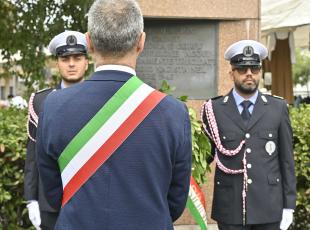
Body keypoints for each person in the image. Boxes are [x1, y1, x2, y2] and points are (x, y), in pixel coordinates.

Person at [36, 0, 192, 229]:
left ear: (88, 42)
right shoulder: (173, 113)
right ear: (141, 41)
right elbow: (176, 200)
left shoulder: (54, 105)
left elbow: (52, 192)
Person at [201, 40, 296, 230]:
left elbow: (286, 161)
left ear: (260, 72)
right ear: (232, 73)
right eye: (243, 69)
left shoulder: (277, 108)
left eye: (254, 68)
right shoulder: (214, 109)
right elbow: (204, 157)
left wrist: (289, 206)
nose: (249, 74)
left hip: (269, 206)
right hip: (230, 207)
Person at [24, 30, 89, 230]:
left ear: (87, 62)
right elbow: (33, 155)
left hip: (89, 200)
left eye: (77, 58)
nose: (71, 64)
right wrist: (31, 199)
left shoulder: (101, 100)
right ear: (57, 63)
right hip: (50, 205)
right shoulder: (41, 101)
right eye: (65, 58)